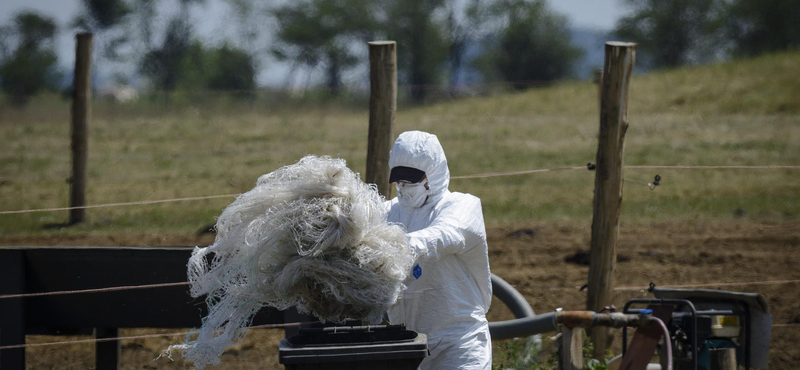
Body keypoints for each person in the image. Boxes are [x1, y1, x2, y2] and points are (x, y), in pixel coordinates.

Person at [385, 130, 492, 370]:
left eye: (410, 180)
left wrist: (389, 247)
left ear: (432, 174)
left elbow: (444, 235)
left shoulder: (463, 206)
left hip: (459, 345)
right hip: (408, 348)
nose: (403, 187)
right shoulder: (391, 212)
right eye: (399, 181)